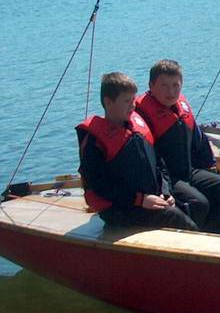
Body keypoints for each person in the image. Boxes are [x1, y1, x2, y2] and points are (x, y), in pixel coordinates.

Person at [76, 72, 198, 231]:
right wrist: (140, 200)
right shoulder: (94, 143)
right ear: (108, 102)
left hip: (149, 197)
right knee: (181, 221)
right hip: (120, 207)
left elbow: (159, 164)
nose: (132, 106)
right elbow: (100, 186)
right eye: (127, 101)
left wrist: (166, 192)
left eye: (133, 100)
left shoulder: (137, 129)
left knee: (196, 205)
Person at [135, 59, 220, 230]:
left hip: (189, 171)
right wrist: (163, 190)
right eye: (164, 86)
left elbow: (199, 141)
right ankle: (192, 236)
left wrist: (210, 166)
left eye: (175, 85)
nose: (171, 92)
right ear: (151, 86)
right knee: (198, 203)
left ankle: (212, 231)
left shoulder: (181, 107)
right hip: (167, 180)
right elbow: (147, 160)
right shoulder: (142, 116)